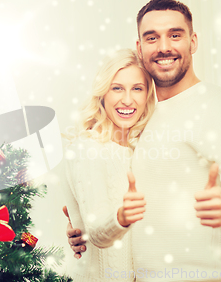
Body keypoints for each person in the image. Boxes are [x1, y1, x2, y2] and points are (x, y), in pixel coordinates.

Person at [65, 0, 221, 282]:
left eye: (175, 35)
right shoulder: (144, 117)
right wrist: (82, 227)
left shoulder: (214, 105)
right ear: (140, 48)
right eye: (152, 37)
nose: (164, 47)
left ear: (193, 42)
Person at [62, 48, 156, 282]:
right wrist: (122, 217)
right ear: (103, 93)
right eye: (117, 88)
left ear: (147, 95)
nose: (127, 99)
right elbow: (96, 232)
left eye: (137, 88)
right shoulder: (87, 148)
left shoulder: (137, 150)